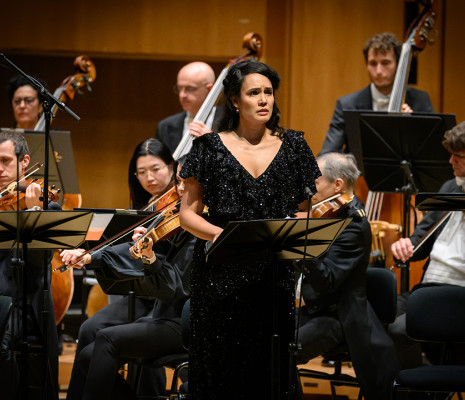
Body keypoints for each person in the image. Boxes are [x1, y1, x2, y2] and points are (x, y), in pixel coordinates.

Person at [179, 60, 321, 399]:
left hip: (273, 278)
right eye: (254, 93)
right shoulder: (209, 147)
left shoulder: (295, 147)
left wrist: (294, 231)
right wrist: (221, 235)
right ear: (234, 101)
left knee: (270, 373)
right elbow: (188, 214)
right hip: (218, 278)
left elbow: (304, 213)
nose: (263, 100)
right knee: (220, 374)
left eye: (268, 93)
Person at [62, 156, 195, 400]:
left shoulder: (202, 229)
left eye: (189, 181)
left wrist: (151, 260)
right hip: (163, 313)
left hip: (186, 322)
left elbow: (173, 289)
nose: (182, 188)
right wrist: (92, 257)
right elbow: (130, 251)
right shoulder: (178, 220)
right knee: (87, 355)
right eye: (179, 181)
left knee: (106, 338)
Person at [295, 152, 400, 400]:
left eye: (316, 182)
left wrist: (300, 246)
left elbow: (327, 282)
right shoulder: (327, 213)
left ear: (337, 185)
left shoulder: (352, 223)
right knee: (262, 336)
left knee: (278, 350)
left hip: (337, 316)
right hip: (314, 310)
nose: (310, 188)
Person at [389, 121, 465, 369]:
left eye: (458, 156)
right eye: (451, 155)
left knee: (402, 329)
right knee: (373, 309)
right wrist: (406, 245)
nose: (450, 162)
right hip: (428, 287)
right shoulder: (450, 188)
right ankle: (419, 376)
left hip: (457, 293)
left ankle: (423, 389)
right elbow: (421, 239)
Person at [0, 129, 61, 399]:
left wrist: (33, 214)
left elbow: (38, 262)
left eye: (5, 161)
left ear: (25, 161)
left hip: (19, 301)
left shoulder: (47, 207)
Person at [320, 32, 435, 155]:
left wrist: (413, 125)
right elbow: (327, 154)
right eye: (373, 64)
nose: (378, 71)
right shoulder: (347, 104)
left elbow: (434, 150)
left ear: (398, 64)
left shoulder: (420, 100)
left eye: (385, 63)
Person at [156, 61, 221, 154]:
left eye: (190, 88)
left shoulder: (232, 122)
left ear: (209, 89)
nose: (182, 95)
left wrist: (214, 142)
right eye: (179, 88)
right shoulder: (165, 126)